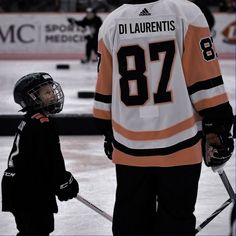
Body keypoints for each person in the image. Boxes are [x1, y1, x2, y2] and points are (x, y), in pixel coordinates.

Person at [93, 0, 234, 235]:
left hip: (129, 146)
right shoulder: (187, 13)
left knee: (131, 221)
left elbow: (105, 88)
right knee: (176, 220)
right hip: (181, 145)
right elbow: (205, 83)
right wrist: (217, 128)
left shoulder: (111, 21)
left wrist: (109, 132)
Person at [1, 72, 79, 236]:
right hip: (29, 190)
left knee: (29, 231)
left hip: (17, 186)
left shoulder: (31, 119)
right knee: (39, 229)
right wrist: (64, 181)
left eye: (52, 90)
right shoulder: (43, 123)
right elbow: (51, 160)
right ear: (32, 98)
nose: (53, 95)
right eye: (47, 92)